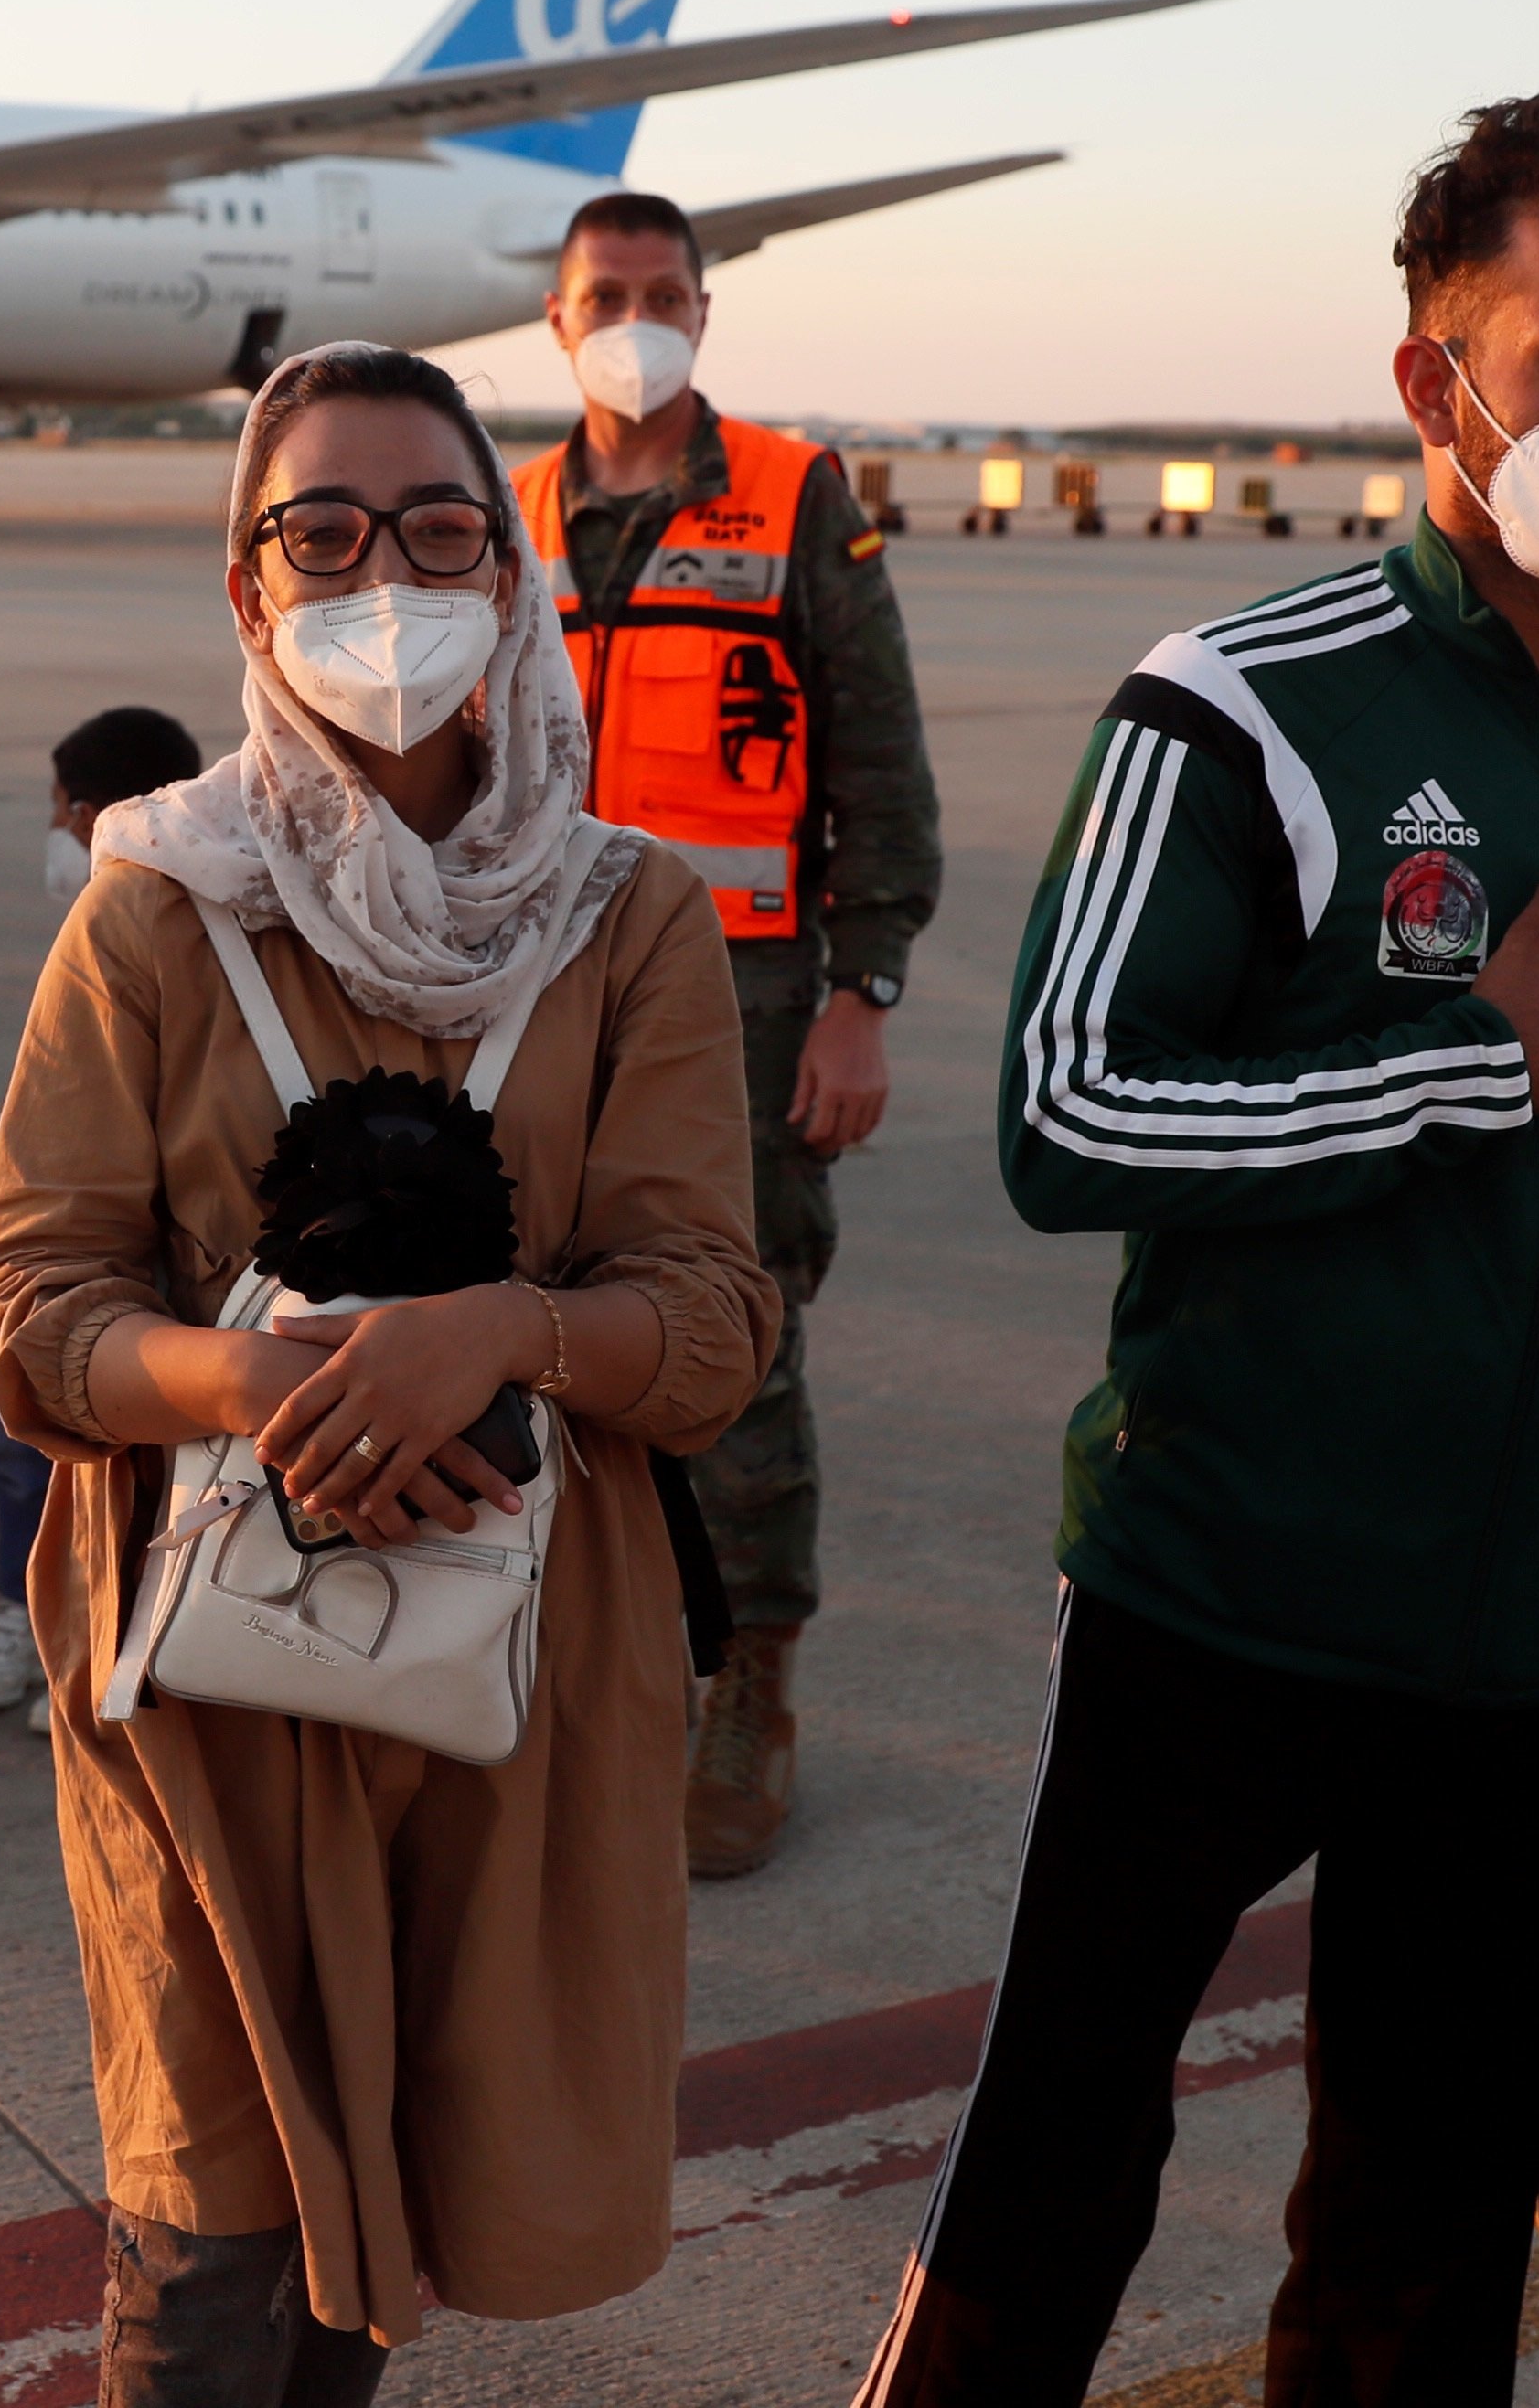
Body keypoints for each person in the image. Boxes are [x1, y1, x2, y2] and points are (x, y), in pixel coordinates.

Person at [856, 97, 1539, 2406]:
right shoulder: (1235, 709)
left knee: (1422, 2255)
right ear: (1435, 382)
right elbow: (1063, 1115)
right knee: (1048, 2179)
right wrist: (1468, 1071)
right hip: (1217, 1601)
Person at [0, 340, 775, 2392]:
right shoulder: (151, 906)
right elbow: (27, 1297)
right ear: (246, 588)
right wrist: (240, 1387)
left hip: (509, 1659)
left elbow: (706, 1318)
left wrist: (498, 1333)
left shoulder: (627, 918)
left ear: (506, 579)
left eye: (432, 528)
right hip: (210, 1658)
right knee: (210, 2254)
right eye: (316, 530)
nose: (377, 573)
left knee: (395, 2224)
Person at [506, 188, 941, 1877]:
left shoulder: (792, 494)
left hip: (746, 1003)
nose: (636, 313)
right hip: (544, 992)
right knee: (543, 1321)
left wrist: (864, 993)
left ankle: (751, 1679)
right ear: (556, 318)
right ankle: (592, 1661)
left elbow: (880, 761)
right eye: (606, 291)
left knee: (735, 1333)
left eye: (663, 290)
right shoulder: (511, 507)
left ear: (704, 309)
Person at [0, 702, 203, 1726]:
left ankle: (119, 1626)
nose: (53, 829)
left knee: (155, 1448)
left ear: (90, 813)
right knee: (27, 1429)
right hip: (76, 1241)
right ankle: (25, 1609)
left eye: (58, 810)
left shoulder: (197, 926)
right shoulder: (89, 935)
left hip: (164, 1251)